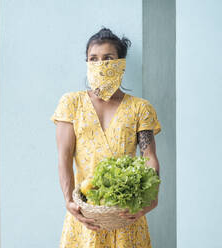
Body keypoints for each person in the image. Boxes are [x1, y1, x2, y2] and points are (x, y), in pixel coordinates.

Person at [50, 27, 162, 248]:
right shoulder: (71, 104)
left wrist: (151, 197)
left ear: (121, 64)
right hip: (86, 216)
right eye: (93, 59)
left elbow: (149, 156)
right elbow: (63, 157)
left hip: (127, 215)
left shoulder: (140, 109)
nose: (100, 65)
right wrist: (69, 201)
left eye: (108, 58)